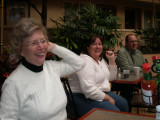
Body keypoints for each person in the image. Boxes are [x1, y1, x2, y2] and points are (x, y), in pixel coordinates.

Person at [0, 18, 85, 120]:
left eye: (43, 41)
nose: (41, 46)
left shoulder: (52, 67)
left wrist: (54, 47)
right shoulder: (13, 84)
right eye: (33, 43)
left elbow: (79, 63)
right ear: (21, 51)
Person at [68, 34, 128, 117]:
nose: (97, 47)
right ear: (87, 47)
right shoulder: (84, 61)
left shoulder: (100, 60)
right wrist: (108, 98)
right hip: (80, 96)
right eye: (94, 44)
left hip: (97, 93)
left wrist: (111, 60)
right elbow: (88, 90)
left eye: (99, 44)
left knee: (123, 103)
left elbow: (111, 77)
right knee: (113, 112)